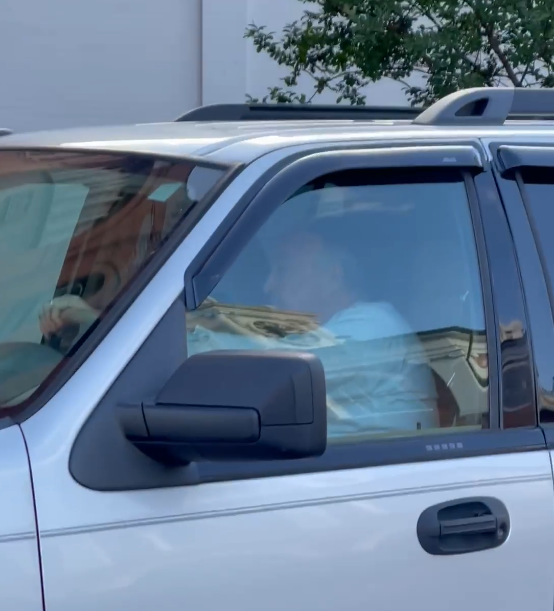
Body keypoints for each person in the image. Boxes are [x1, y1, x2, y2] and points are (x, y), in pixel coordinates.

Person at [41, 226, 439, 438]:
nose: (268, 285)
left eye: (281, 270)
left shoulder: (371, 330)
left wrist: (108, 328)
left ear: (332, 275)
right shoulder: (322, 330)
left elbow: (258, 367)